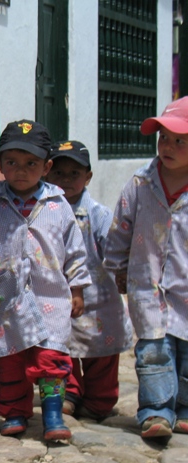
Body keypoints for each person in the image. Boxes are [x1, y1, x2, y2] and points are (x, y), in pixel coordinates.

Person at [0, 120, 90, 441]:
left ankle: (54, 413)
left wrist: (76, 288)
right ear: (0, 164)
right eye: (12, 163)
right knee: (10, 360)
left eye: (31, 164)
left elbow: (75, 250)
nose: (20, 170)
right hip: (7, 300)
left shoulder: (57, 205)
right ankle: (14, 411)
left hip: (50, 298)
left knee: (51, 359)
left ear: (46, 167)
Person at [104, 97, 188, 438]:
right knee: (153, 352)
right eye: (163, 137)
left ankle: (184, 408)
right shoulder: (140, 183)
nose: (167, 146)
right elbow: (121, 227)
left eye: (179, 140)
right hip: (148, 287)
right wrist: (117, 267)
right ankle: (155, 412)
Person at [46, 140, 132, 421]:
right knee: (62, 346)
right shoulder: (45, 209)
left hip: (99, 299)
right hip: (60, 295)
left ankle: (99, 400)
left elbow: (114, 247)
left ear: (88, 177)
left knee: (101, 354)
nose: (66, 180)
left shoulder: (99, 215)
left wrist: (123, 272)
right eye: (59, 173)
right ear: (48, 173)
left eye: (74, 174)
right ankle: (69, 393)